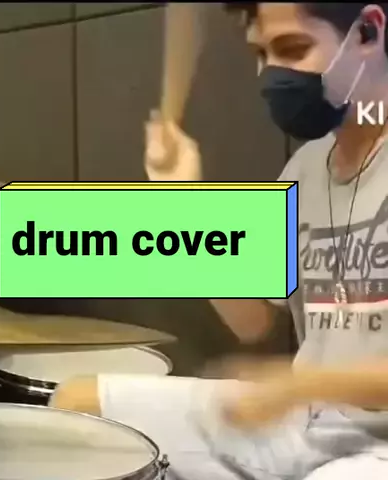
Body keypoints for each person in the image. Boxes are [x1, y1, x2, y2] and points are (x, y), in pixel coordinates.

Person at [52, 3, 388, 479]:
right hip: (308, 420)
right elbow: (252, 321)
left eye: (293, 48)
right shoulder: (305, 169)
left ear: (368, 33)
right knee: (79, 406)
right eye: (261, 54)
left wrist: (293, 386)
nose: (273, 75)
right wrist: (187, 203)